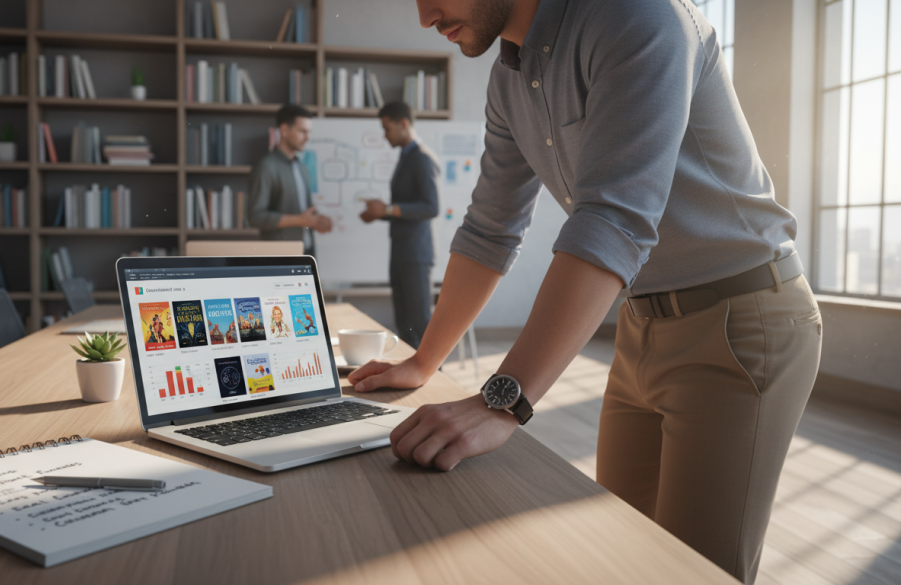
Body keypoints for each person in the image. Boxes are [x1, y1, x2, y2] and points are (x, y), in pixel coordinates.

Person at [347, 1, 822, 583]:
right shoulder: (508, 78)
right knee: (621, 558)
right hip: (641, 323)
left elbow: (613, 219)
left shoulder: (639, 16)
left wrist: (504, 399)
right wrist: (425, 361)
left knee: (692, 573)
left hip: (744, 321)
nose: (424, 16)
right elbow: (490, 229)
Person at [360, 101, 440, 349]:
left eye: (387, 129)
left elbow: (431, 207)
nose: (385, 135)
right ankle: (407, 376)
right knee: (404, 323)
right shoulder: (406, 157)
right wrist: (380, 214)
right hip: (401, 251)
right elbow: (406, 206)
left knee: (420, 323)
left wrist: (386, 209)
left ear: (404, 124)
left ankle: (433, 380)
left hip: (416, 254)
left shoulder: (422, 158)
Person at [248, 104, 332, 256]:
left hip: (307, 251)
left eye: (309, 132)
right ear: (284, 130)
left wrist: (316, 220)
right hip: (281, 256)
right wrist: (300, 220)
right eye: (302, 131)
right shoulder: (266, 167)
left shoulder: (302, 168)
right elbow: (255, 217)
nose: (308, 137)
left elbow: (304, 213)